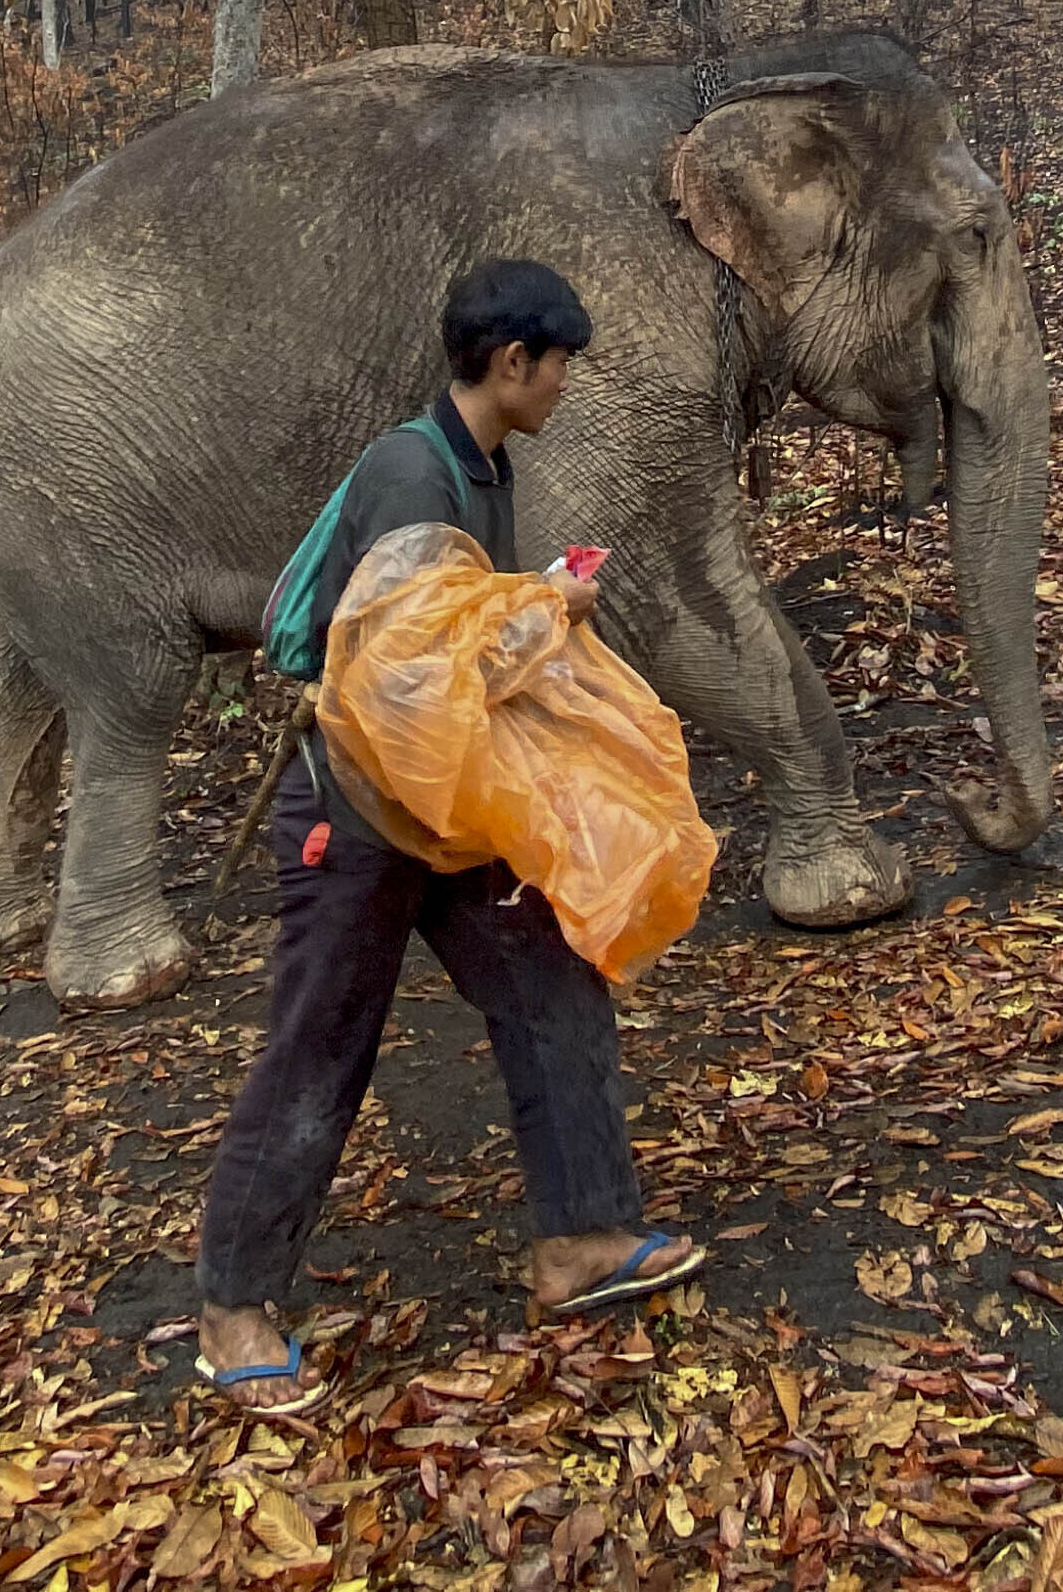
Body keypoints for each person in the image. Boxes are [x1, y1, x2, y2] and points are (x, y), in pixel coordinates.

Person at [192, 259, 703, 1412]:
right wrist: (547, 609)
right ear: (510, 361)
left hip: (449, 805)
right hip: (361, 810)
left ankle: (579, 1241)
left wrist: (532, 603)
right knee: (322, 1041)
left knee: (554, 983)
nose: (567, 380)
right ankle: (233, 1307)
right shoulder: (412, 472)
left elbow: (452, 644)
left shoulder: (484, 467)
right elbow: (405, 679)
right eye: (559, 360)